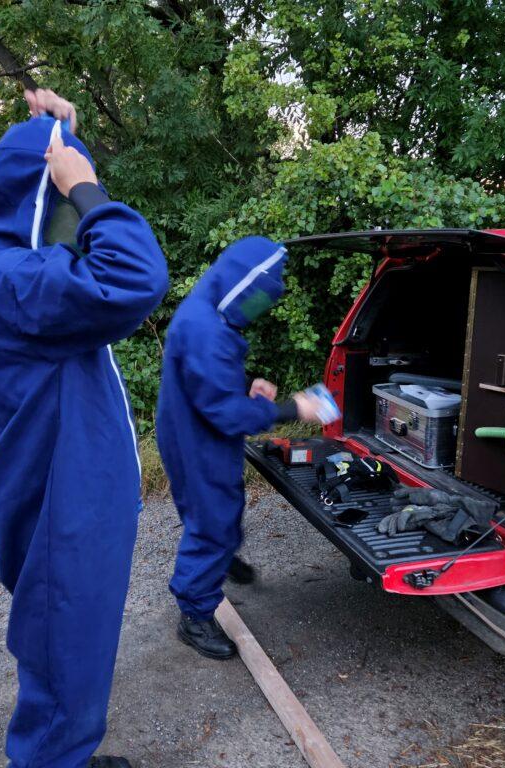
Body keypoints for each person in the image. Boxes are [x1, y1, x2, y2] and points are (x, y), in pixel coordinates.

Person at [0, 89, 168, 768]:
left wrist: (54, 133)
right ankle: (50, 759)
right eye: (64, 202)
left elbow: (35, 222)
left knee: (69, 645)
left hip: (64, 486)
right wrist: (87, 187)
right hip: (61, 501)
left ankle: (63, 753)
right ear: (46, 197)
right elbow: (136, 277)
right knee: (66, 644)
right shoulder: (11, 280)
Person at [156, 236, 323, 660]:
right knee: (211, 520)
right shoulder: (206, 332)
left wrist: (247, 388)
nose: (256, 311)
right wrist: (294, 408)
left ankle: (220, 554)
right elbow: (226, 415)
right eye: (256, 301)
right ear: (240, 285)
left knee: (216, 511)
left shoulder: (204, 311)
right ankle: (195, 614)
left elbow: (207, 383)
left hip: (187, 434)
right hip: (200, 445)